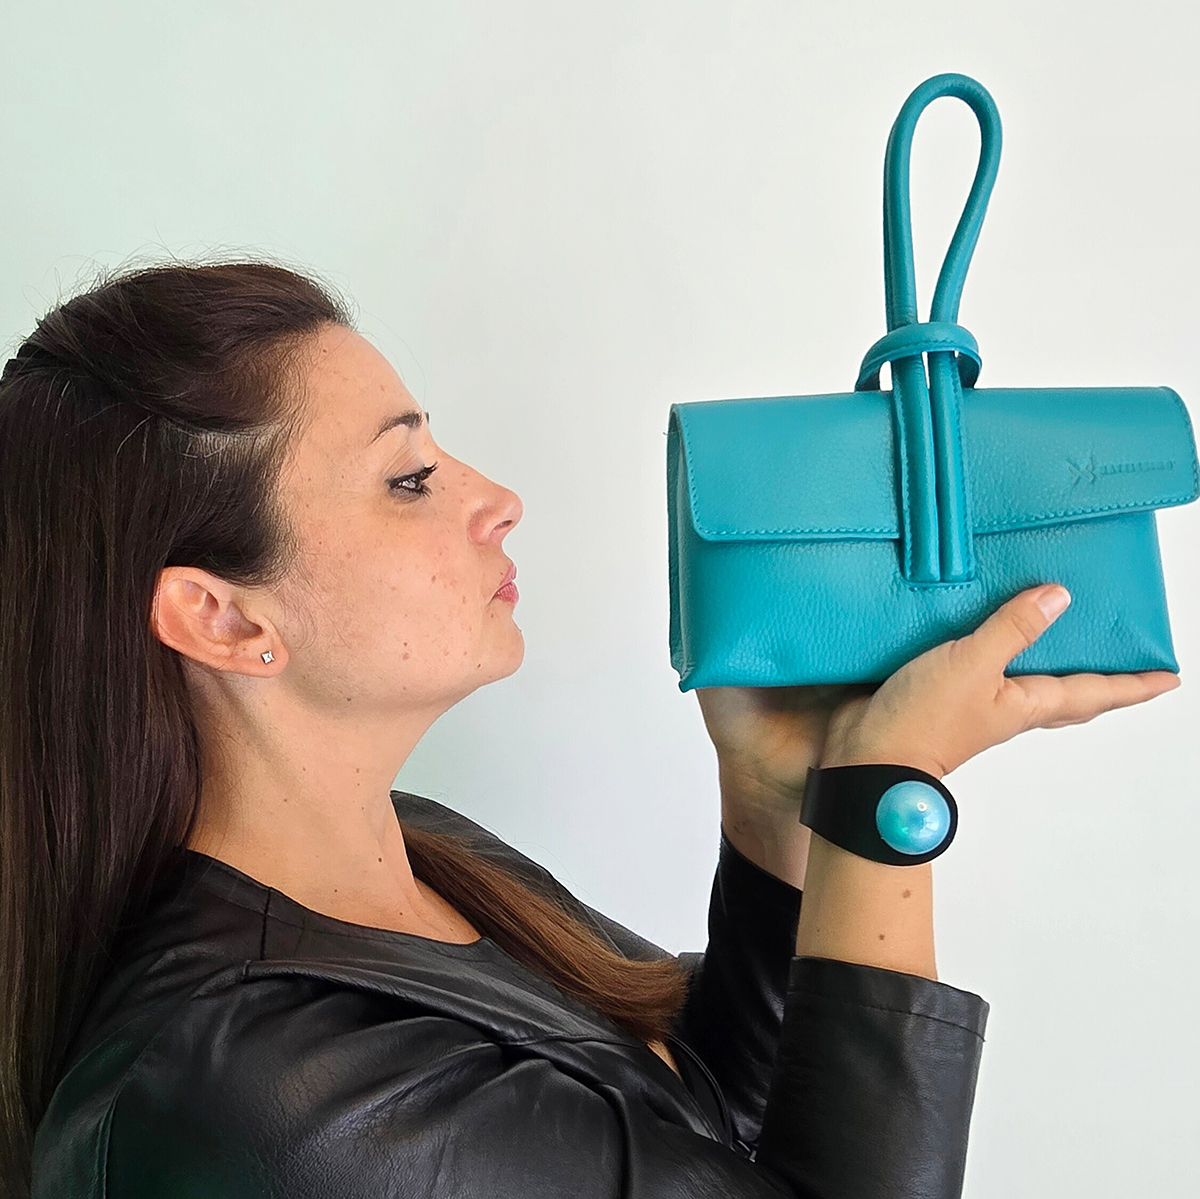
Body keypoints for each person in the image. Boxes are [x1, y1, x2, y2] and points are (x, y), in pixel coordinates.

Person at [2, 260, 1179, 1198]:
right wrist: (886, 801)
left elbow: (711, 1139)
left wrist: (780, 811)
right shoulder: (260, 1088)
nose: (495, 498)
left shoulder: (424, 853)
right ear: (220, 616)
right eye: (408, 478)